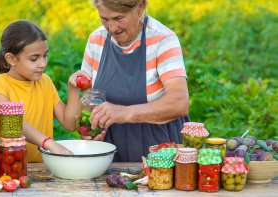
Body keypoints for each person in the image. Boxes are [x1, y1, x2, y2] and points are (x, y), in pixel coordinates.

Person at [72, 0, 190, 162]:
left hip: (158, 150)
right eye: (105, 19)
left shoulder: (162, 39)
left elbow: (179, 103)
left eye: (119, 18)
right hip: (109, 151)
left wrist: (123, 113)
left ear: (140, 7)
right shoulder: (96, 39)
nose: (112, 28)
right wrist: (92, 127)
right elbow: (89, 99)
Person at [0, 20, 88, 162]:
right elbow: (13, 122)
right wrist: (48, 143)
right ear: (11, 59)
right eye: (34, 58)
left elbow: (69, 123)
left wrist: (73, 90)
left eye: (45, 55)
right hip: (6, 170)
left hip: (40, 170)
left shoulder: (45, 82)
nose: (42, 64)